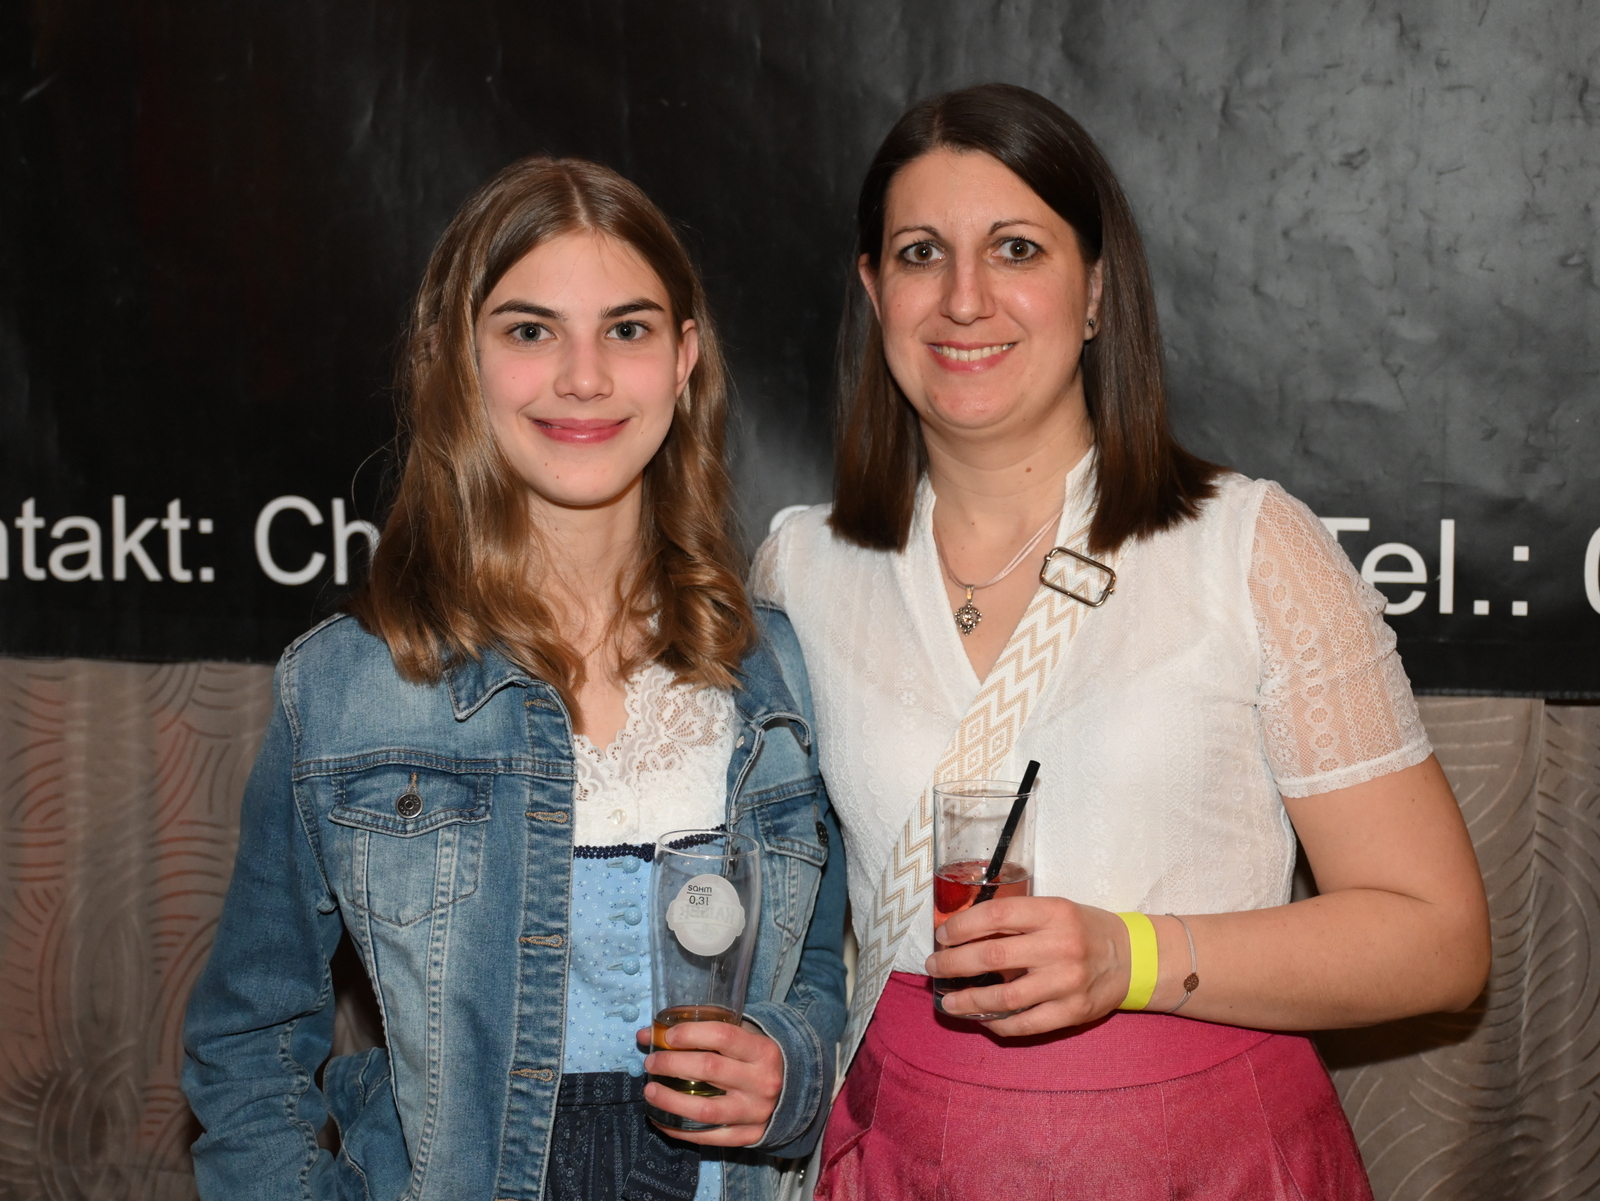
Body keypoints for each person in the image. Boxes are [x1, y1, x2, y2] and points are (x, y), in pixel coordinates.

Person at [754, 84, 1490, 1199]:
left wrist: (1128, 954)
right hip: (901, 1158)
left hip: (1209, 1162)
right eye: (920, 253)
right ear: (873, 290)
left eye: (1015, 248)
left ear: (1095, 290)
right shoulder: (801, 570)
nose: (964, 297)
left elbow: (1438, 941)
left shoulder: (1249, 547)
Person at [183, 156, 847, 1201]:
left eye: (626, 329)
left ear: (682, 360)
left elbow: (814, 975)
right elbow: (248, 1039)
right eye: (531, 330)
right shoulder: (349, 686)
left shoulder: (774, 674)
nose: (583, 376)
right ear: (459, 358)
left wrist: (790, 1075)